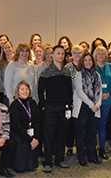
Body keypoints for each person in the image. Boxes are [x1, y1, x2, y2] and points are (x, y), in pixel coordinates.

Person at [38, 45, 73, 173]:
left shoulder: (66, 72)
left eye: (63, 53)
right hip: (50, 108)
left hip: (64, 107)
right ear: (52, 55)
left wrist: (70, 104)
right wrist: (43, 105)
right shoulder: (46, 72)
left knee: (61, 134)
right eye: (58, 53)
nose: (61, 56)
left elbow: (69, 90)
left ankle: (59, 159)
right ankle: (48, 161)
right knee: (49, 135)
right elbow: (40, 91)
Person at [73, 52, 102, 166]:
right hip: (82, 108)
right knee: (81, 134)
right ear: (82, 62)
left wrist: (97, 104)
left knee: (92, 133)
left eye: (90, 60)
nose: (88, 62)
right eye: (85, 60)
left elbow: (100, 92)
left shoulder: (97, 75)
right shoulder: (79, 75)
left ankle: (92, 156)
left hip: (94, 108)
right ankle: (81, 157)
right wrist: (91, 105)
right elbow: (80, 92)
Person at [9, 81, 40, 173]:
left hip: (31, 131)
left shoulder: (33, 103)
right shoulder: (14, 105)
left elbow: (38, 121)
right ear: (17, 91)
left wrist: (36, 138)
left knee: (34, 142)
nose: (25, 91)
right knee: (23, 143)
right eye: (22, 89)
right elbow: (16, 125)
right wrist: (30, 139)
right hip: (19, 132)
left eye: (27, 89)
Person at [94, 46, 111, 160]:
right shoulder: (92, 67)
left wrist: (110, 94)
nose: (101, 56)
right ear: (95, 55)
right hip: (95, 101)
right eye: (99, 54)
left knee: (103, 125)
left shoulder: (110, 66)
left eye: (103, 54)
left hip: (108, 99)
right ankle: (93, 148)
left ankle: (102, 148)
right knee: (94, 125)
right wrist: (99, 96)